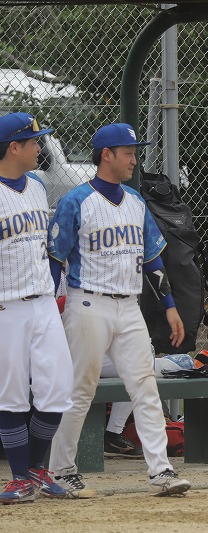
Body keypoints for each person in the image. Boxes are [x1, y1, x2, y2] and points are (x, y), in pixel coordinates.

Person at [47, 123, 191, 497]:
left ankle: (160, 470)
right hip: (87, 304)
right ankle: (61, 471)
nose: (134, 159)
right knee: (80, 390)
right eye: (128, 153)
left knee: (145, 386)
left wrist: (170, 306)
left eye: (134, 153)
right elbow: (55, 260)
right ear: (106, 155)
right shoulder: (76, 201)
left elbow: (152, 259)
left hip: (128, 307)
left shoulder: (136, 201)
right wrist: (47, 310)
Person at [0, 112, 74, 504]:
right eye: (33, 142)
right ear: (13, 147)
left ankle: (33, 470)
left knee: (57, 389)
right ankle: (19, 479)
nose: (39, 147)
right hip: (6, 307)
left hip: (43, 302)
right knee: (11, 395)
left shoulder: (37, 186)